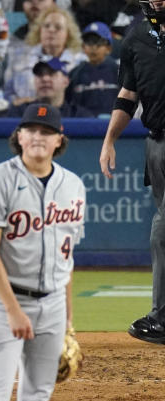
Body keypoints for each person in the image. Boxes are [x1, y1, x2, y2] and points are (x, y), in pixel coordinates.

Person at [0, 103, 85, 401]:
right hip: (4, 303)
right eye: (32, 130)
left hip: (52, 306)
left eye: (46, 132)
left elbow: (66, 257)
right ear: (19, 137)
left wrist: (68, 318)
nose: (39, 137)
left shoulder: (74, 186)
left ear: (59, 140)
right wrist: (12, 309)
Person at [99, 0, 165, 345]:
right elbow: (128, 95)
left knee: (163, 230)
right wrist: (109, 140)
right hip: (156, 144)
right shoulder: (137, 36)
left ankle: (161, 319)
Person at [3, 5, 86, 106]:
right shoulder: (19, 58)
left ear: (68, 34)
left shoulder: (81, 62)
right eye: (46, 26)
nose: (51, 30)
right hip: (25, 114)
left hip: (70, 116)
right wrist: (16, 102)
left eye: (58, 27)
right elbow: (7, 94)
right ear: (39, 31)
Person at [3, 57, 95, 117]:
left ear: (66, 81)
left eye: (52, 74)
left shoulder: (80, 116)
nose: (45, 79)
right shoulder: (19, 113)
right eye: (40, 74)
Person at [67, 21, 119, 117]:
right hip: (83, 126)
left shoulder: (119, 71)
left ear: (109, 48)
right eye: (89, 42)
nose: (93, 48)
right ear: (83, 47)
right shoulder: (75, 74)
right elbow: (69, 103)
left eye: (98, 42)